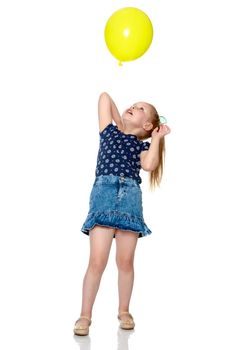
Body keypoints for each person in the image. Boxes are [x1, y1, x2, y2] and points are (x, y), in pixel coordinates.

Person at [73, 92, 171, 336]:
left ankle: (124, 310)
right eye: (133, 105)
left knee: (125, 262)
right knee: (97, 261)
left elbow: (149, 165)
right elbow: (104, 97)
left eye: (140, 109)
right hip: (104, 195)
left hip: (129, 198)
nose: (132, 106)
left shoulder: (142, 146)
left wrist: (157, 137)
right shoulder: (109, 132)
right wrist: (120, 119)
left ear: (147, 125)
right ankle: (85, 314)